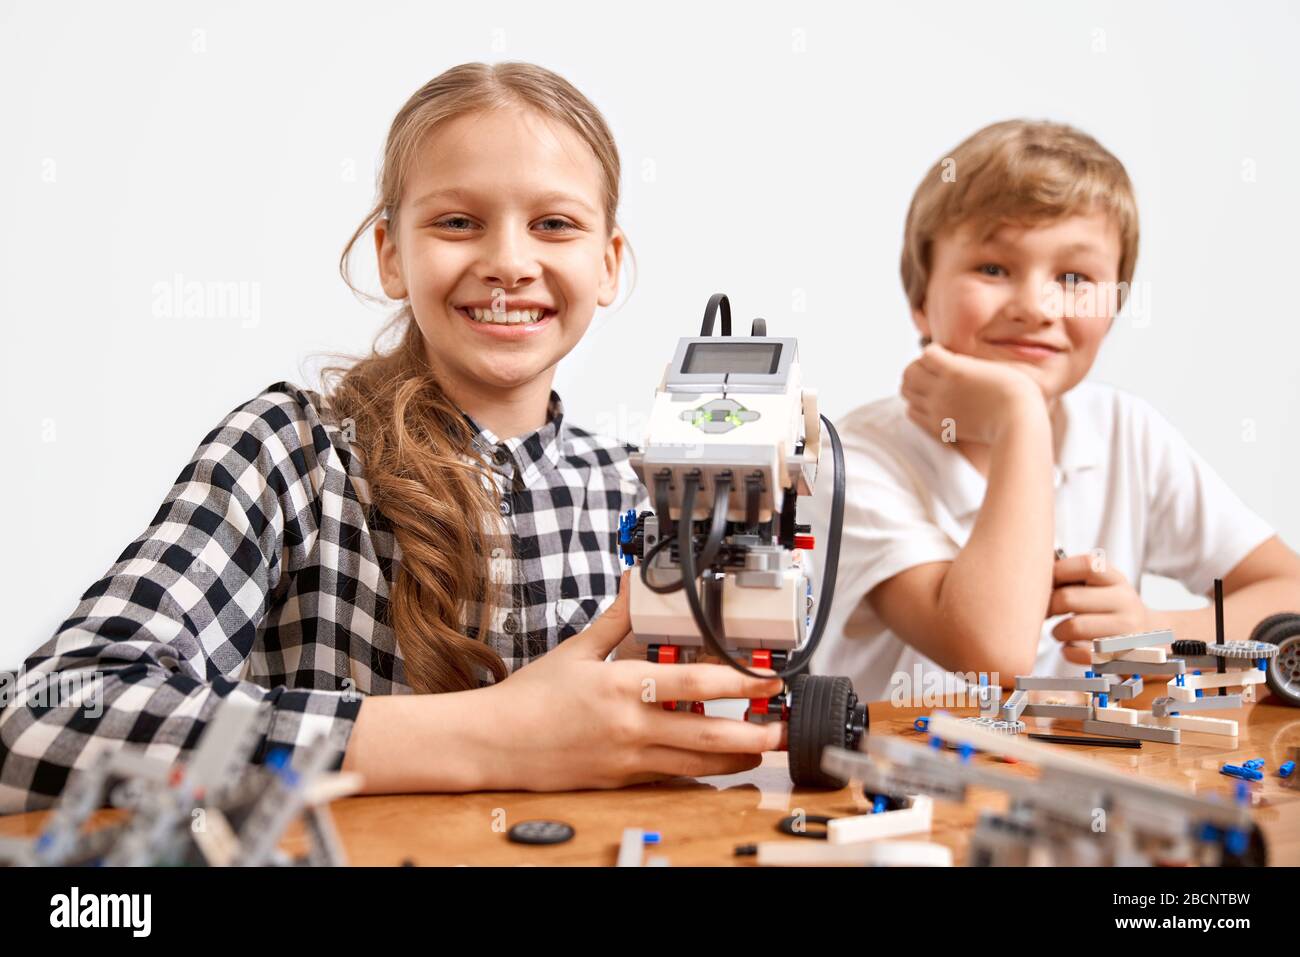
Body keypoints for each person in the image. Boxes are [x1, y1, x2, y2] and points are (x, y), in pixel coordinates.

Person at [0, 62, 784, 813]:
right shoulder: (291, 453)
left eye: (554, 224)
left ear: (608, 263)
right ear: (390, 254)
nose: (509, 261)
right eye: (457, 221)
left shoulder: (647, 491)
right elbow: (38, 719)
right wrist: (498, 736)